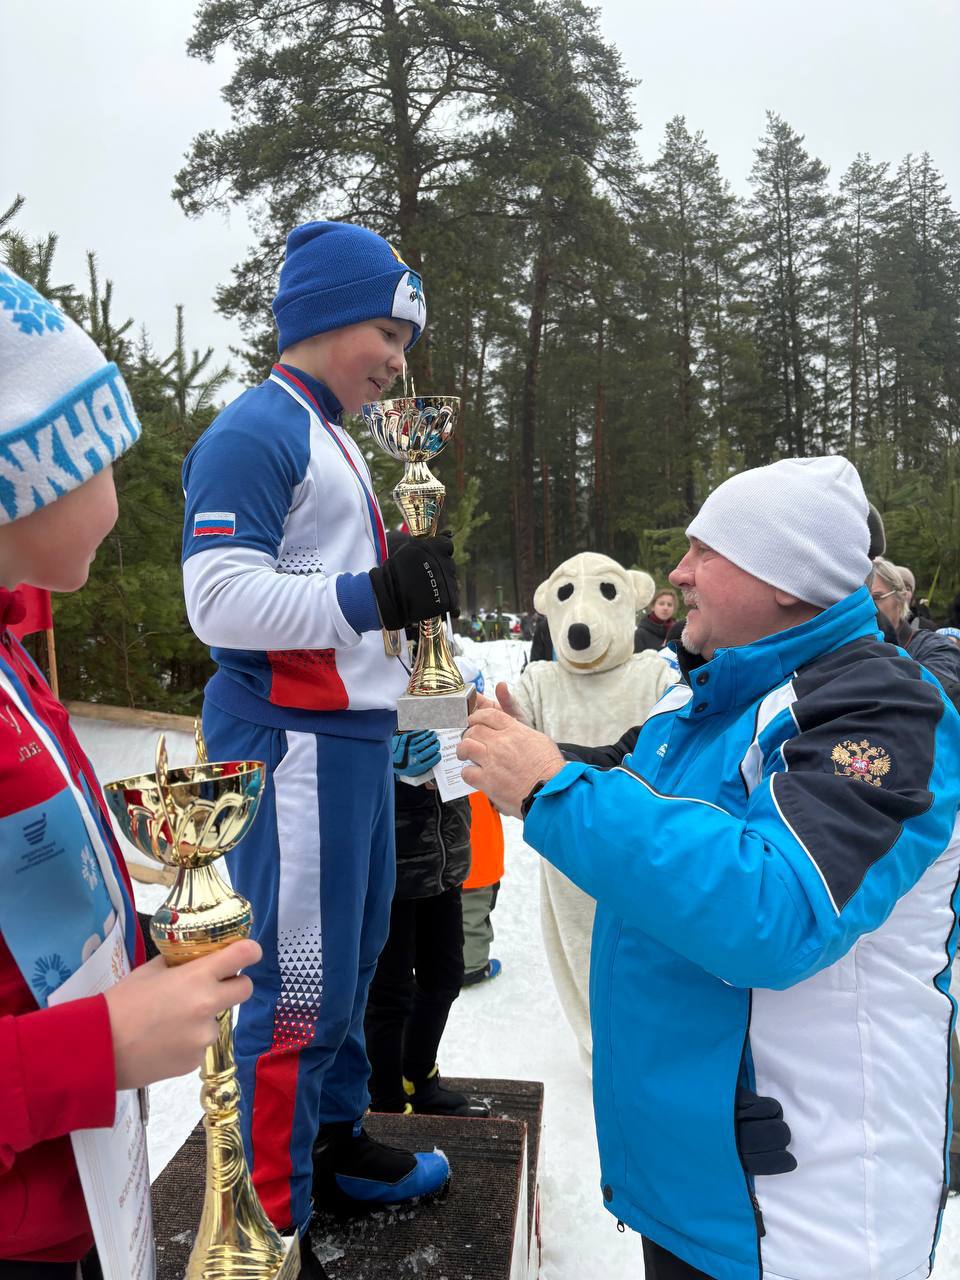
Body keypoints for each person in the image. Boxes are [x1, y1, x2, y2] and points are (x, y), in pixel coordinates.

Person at [459, 455, 960, 1280]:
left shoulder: (881, 709)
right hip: (701, 1186)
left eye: (707, 552)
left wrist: (552, 788)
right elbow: (624, 789)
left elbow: (775, 911)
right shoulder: (701, 701)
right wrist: (497, 751)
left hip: (807, 1212)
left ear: (788, 581)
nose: (679, 573)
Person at [180, 223, 457, 1273]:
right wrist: (375, 592)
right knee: (295, 986)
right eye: (387, 331)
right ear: (323, 315)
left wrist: (417, 696)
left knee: (349, 962)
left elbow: (340, 605)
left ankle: (331, 1146)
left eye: (406, 340)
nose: (398, 358)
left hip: (348, 739)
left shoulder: (333, 432)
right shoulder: (258, 429)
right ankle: (268, 1217)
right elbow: (215, 597)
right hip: (288, 741)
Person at [0, 270, 261, 1277]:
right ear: (27, 469)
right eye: (98, 445)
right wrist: (96, 1044)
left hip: (70, 1194)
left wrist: (132, 949)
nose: (124, 472)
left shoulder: (14, 646)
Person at [510, 552, 676, 1067]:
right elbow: (504, 723)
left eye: (605, 591)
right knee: (578, 941)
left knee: (646, 937)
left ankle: (647, 1039)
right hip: (564, 842)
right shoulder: (540, 681)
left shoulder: (653, 673)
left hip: (641, 833)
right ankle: (597, 1043)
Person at [364, 535, 487, 1119]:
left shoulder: (454, 665)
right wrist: (389, 750)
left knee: (444, 976)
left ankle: (421, 1075)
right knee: (389, 990)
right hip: (392, 862)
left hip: (446, 856)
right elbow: (350, 739)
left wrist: (477, 724)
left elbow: (464, 740)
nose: (432, 621)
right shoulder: (372, 661)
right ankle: (385, 1097)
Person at [870, 556, 960, 684]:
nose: (867, 606)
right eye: (860, 598)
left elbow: (935, 693)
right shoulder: (845, 649)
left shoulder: (935, 648)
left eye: (876, 597)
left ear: (899, 599)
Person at [460, 790, 504, 986]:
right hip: (479, 857)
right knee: (473, 918)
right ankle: (472, 968)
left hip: (442, 861)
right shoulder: (483, 763)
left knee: (438, 916)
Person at [634, 586, 684, 652]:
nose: (665, 608)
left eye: (669, 605)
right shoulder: (640, 634)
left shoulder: (680, 633)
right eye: (661, 604)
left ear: (674, 609)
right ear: (653, 606)